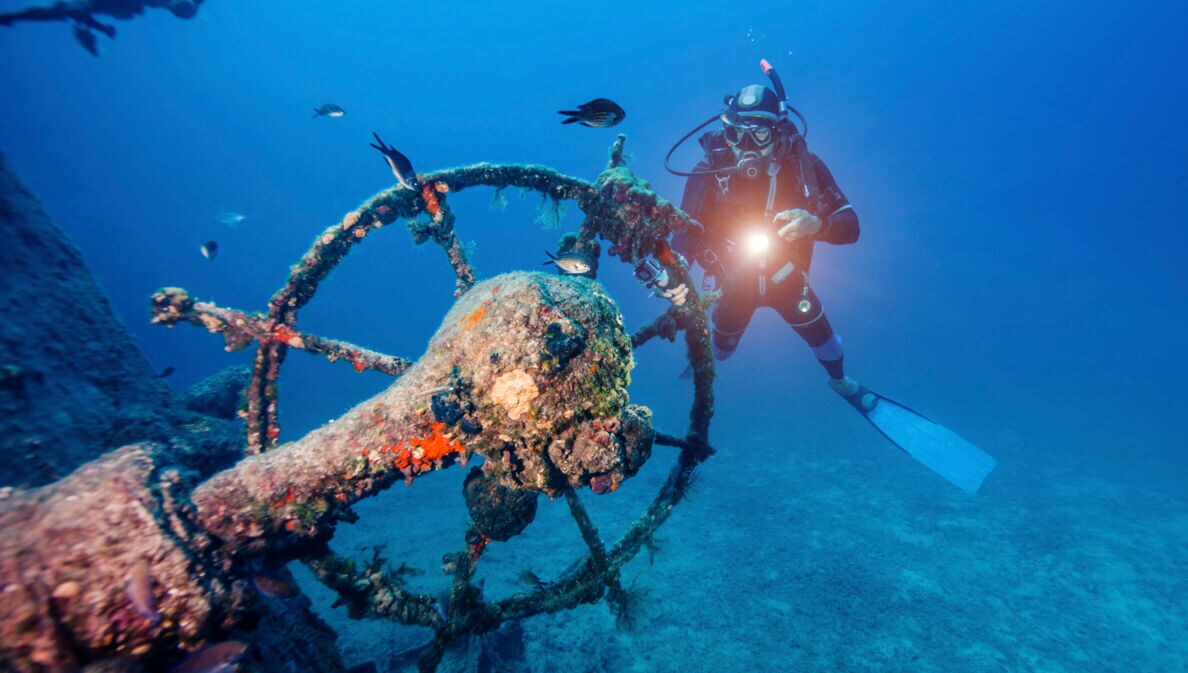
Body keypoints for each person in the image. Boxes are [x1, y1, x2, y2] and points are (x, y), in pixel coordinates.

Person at [658, 79, 867, 406]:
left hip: (789, 280)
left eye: (759, 134)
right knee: (723, 348)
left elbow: (851, 228)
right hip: (734, 284)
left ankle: (841, 382)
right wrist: (676, 266)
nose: (746, 146)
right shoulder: (709, 170)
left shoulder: (805, 166)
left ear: (778, 132)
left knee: (825, 342)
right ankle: (705, 367)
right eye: (735, 134)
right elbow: (686, 229)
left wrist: (817, 225)